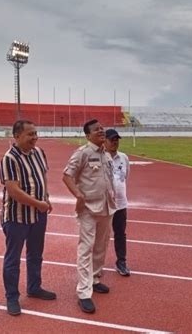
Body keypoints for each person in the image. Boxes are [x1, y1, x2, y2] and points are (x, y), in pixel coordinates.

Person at [0, 120, 56, 316]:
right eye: (30, 134)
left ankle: (34, 287)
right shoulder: (10, 158)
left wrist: (46, 197)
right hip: (17, 217)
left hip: (38, 215)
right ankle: (12, 297)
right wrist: (38, 203)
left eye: (35, 133)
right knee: (13, 258)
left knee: (36, 254)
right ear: (16, 137)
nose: (34, 137)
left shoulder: (39, 152)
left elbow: (43, 177)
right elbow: (13, 191)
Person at [62, 119, 117, 314]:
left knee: (101, 246)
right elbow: (67, 175)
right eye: (97, 130)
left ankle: (94, 278)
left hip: (107, 207)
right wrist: (78, 195)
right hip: (88, 209)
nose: (101, 131)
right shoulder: (83, 153)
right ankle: (84, 293)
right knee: (86, 248)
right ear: (87, 135)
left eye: (102, 129)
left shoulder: (106, 155)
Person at [104, 128, 131, 276]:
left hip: (121, 204)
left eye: (117, 139)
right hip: (104, 204)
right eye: (112, 139)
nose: (115, 142)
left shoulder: (124, 158)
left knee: (120, 233)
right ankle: (96, 265)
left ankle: (121, 262)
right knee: (101, 235)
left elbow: (125, 177)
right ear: (105, 141)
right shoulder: (101, 157)